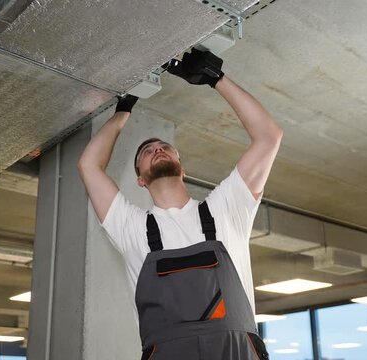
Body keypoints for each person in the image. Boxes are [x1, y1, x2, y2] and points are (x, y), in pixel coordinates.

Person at [77, 49, 282, 359]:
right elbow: (89, 167)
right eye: (147, 152)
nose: (158, 150)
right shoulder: (132, 227)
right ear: (140, 180)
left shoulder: (225, 208)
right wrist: (123, 110)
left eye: (165, 148)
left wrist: (217, 80)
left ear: (182, 169)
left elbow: (269, 136)